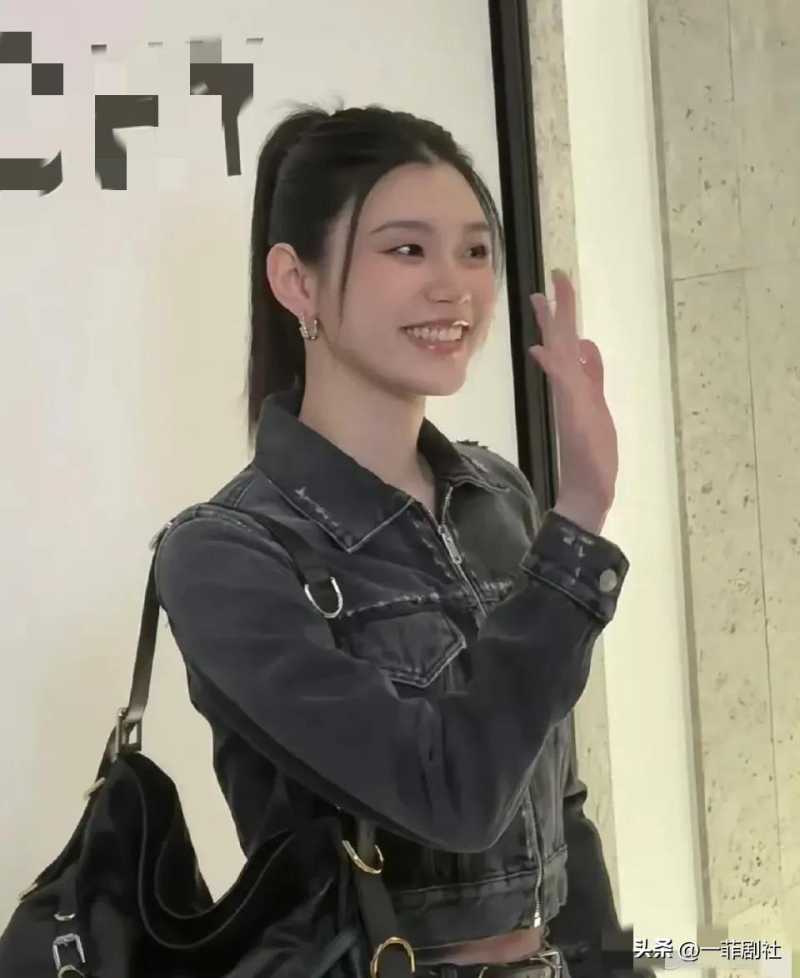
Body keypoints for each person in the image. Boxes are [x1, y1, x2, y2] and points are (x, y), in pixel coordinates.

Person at [153, 101, 653, 978]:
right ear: (296, 282)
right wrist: (579, 516)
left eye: (475, 251)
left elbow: (557, 803)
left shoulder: (496, 496)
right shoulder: (227, 556)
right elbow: (452, 797)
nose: (454, 287)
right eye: (407, 250)